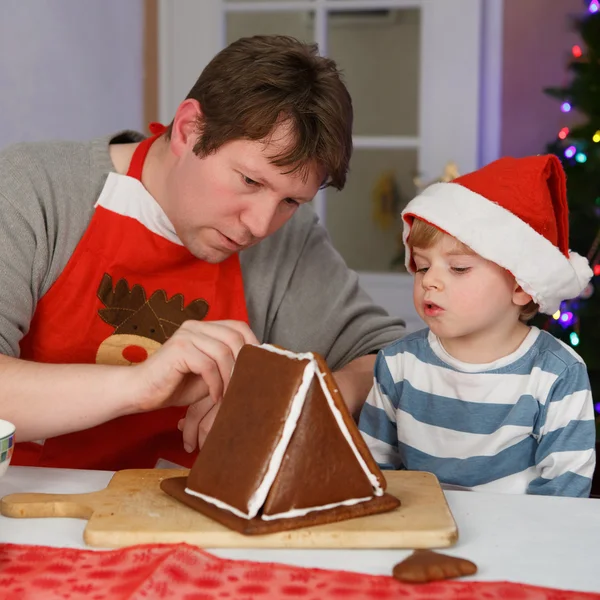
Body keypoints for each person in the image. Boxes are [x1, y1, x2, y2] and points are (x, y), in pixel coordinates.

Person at [0, 35, 405, 471]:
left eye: (291, 201)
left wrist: (298, 398)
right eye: (250, 181)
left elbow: (392, 365)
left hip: (194, 511)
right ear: (189, 129)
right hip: (32, 505)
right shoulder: (31, 188)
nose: (259, 226)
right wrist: (139, 385)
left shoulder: (288, 238)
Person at [359, 155, 597, 497]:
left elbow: (565, 490)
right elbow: (372, 472)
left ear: (520, 286)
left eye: (458, 268)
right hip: (423, 536)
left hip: (521, 542)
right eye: (423, 267)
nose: (430, 282)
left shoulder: (557, 374)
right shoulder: (398, 364)